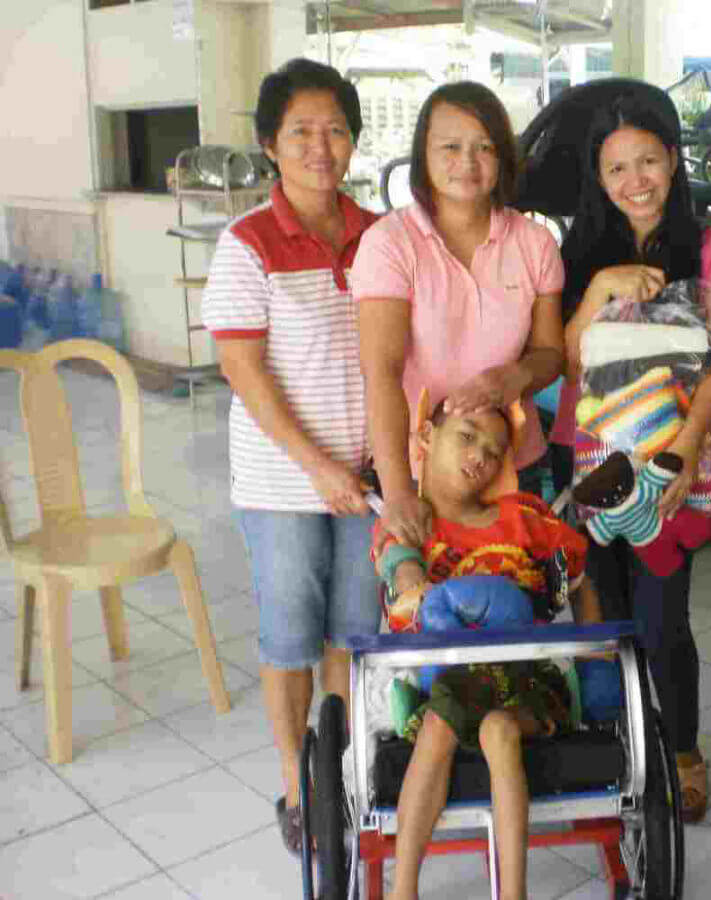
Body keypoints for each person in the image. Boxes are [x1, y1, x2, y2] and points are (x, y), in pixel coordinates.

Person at [201, 58, 380, 855]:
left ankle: (338, 771)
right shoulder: (247, 243)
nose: (320, 146)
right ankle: (296, 783)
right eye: (301, 131)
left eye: (335, 129)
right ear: (271, 144)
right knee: (290, 637)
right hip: (283, 481)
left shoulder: (379, 235)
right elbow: (244, 370)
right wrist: (317, 467)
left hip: (368, 478)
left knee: (353, 630)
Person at [553, 88, 711, 823]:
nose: (635, 180)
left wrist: (688, 448)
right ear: (599, 180)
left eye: (648, 161)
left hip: (669, 462)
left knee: (663, 622)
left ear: (673, 160)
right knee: (601, 620)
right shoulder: (580, 251)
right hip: (590, 459)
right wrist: (600, 288)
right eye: (616, 168)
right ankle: (615, 751)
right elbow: (568, 362)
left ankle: (684, 754)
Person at [374, 400, 601, 900]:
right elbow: (402, 570)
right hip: (451, 679)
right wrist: (413, 584)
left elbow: (580, 577)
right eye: (467, 436)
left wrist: (596, 659)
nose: (481, 456)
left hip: (527, 675)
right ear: (428, 435)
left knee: (497, 728)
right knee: (444, 718)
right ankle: (403, 890)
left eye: (495, 452)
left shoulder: (523, 518)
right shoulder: (412, 526)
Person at [352, 81, 565, 555]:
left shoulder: (535, 243)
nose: (467, 162)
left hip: (512, 463)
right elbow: (381, 372)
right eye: (450, 147)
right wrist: (399, 493)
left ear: (503, 157)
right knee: (425, 595)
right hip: (424, 472)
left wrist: (516, 377)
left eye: (484, 147)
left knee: (517, 590)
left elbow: (551, 353)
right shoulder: (390, 243)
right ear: (422, 155)